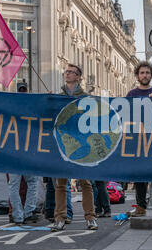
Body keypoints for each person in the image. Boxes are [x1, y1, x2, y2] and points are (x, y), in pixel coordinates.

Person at [51, 63, 98, 231]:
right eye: (66, 72)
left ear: (78, 77)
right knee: (61, 183)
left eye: (71, 72)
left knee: (85, 182)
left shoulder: (85, 97)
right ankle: (60, 217)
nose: (67, 74)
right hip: (63, 143)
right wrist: (49, 102)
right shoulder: (58, 96)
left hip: (81, 143)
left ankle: (90, 217)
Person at [126, 61, 152, 217]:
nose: (145, 75)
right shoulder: (131, 95)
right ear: (137, 75)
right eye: (142, 73)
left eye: (147, 73)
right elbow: (126, 116)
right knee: (139, 175)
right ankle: (141, 206)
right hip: (138, 141)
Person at [8, 81, 41, 225]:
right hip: (27, 153)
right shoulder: (31, 108)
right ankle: (27, 212)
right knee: (32, 182)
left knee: (15, 185)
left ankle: (19, 214)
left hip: (14, 153)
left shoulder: (9, 109)